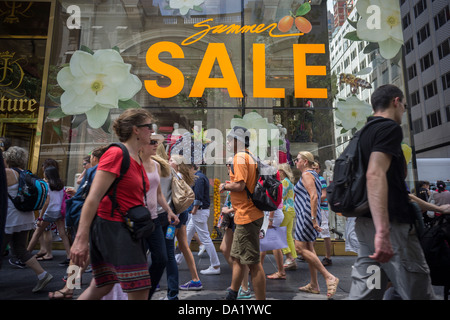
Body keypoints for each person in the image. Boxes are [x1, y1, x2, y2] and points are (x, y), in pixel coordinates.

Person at [348, 84, 435, 300]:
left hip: (366, 227)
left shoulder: (361, 135)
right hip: (391, 228)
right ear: (396, 101)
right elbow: (375, 175)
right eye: (404, 106)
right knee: (417, 292)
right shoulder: (389, 129)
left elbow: (386, 184)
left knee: (368, 291)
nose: (404, 111)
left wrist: (435, 207)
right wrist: (383, 232)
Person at [70, 108, 154, 300]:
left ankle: (69, 287)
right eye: (149, 126)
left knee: (102, 286)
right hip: (112, 227)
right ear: (136, 130)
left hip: (127, 227)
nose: (152, 131)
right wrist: (80, 240)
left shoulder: (137, 158)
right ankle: (68, 287)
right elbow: (93, 197)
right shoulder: (116, 153)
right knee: (139, 287)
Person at [48, 145, 109, 300]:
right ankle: (72, 284)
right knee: (86, 252)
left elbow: (85, 193)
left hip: (88, 217)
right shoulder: (105, 171)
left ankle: (70, 286)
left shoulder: (94, 171)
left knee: (79, 253)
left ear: (95, 158)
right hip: (100, 218)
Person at [219, 126, 266, 300]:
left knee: (253, 264)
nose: (228, 142)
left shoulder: (239, 157)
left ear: (238, 140)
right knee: (237, 257)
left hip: (247, 215)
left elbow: (239, 185)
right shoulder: (250, 156)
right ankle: (233, 292)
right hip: (246, 214)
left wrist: (225, 185)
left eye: (230, 139)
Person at [1, 146, 53, 292]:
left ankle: (43, 275)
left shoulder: (7, 173)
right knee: (20, 249)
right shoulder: (26, 174)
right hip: (25, 217)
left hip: (9, 219)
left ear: (8, 159)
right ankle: (42, 274)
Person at [294, 151, 339, 299]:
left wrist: (313, 219)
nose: (295, 162)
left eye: (298, 159)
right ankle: (314, 284)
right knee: (309, 248)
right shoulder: (313, 175)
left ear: (305, 161)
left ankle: (328, 277)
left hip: (306, 215)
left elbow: (314, 196)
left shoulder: (307, 175)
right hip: (308, 214)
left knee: (299, 248)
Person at [141, 133, 179, 300]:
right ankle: (171, 294)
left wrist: (170, 211)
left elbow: (158, 193)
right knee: (166, 256)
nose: (154, 145)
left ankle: (148, 290)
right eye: (152, 142)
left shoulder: (159, 167)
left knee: (159, 257)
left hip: (160, 216)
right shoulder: (167, 168)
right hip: (153, 216)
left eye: (156, 143)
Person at [169, 154, 203, 291]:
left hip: (175, 215)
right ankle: (196, 279)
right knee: (184, 246)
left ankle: (165, 284)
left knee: (168, 248)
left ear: (177, 164)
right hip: (181, 214)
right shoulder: (184, 177)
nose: (168, 161)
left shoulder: (177, 177)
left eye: (171, 160)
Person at [152, 143, 180, 300]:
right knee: (170, 256)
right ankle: (173, 294)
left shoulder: (150, 166)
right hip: (169, 217)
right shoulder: (170, 170)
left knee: (147, 254)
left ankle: (148, 287)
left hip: (153, 216)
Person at [27, 166, 72, 265]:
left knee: (37, 232)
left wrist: (40, 217)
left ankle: (25, 256)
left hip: (49, 212)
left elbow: (46, 202)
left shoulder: (46, 186)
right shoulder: (60, 185)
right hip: (59, 212)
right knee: (62, 234)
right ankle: (69, 255)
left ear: (47, 175)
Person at [184, 164, 221, 275]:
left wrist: (194, 209)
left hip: (199, 211)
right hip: (199, 211)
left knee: (205, 238)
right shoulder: (200, 176)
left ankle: (215, 265)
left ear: (191, 168)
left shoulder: (198, 178)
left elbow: (198, 197)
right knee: (187, 235)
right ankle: (177, 259)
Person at [277, 163, 298, 270]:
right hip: (290, 210)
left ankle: (289, 257)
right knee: (288, 235)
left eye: (278, 171)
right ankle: (292, 258)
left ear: (282, 172)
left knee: (280, 234)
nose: (277, 173)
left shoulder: (284, 182)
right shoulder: (289, 182)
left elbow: (281, 196)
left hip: (285, 210)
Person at [312, 161, 332, 266]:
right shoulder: (310, 179)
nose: (315, 170)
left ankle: (328, 257)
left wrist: (313, 202)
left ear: (319, 170)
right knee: (313, 231)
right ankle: (309, 253)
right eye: (313, 168)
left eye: (317, 169)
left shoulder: (321, 180)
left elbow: (324, 195)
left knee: (324, 232)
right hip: (314, 208)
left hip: (321, 208)